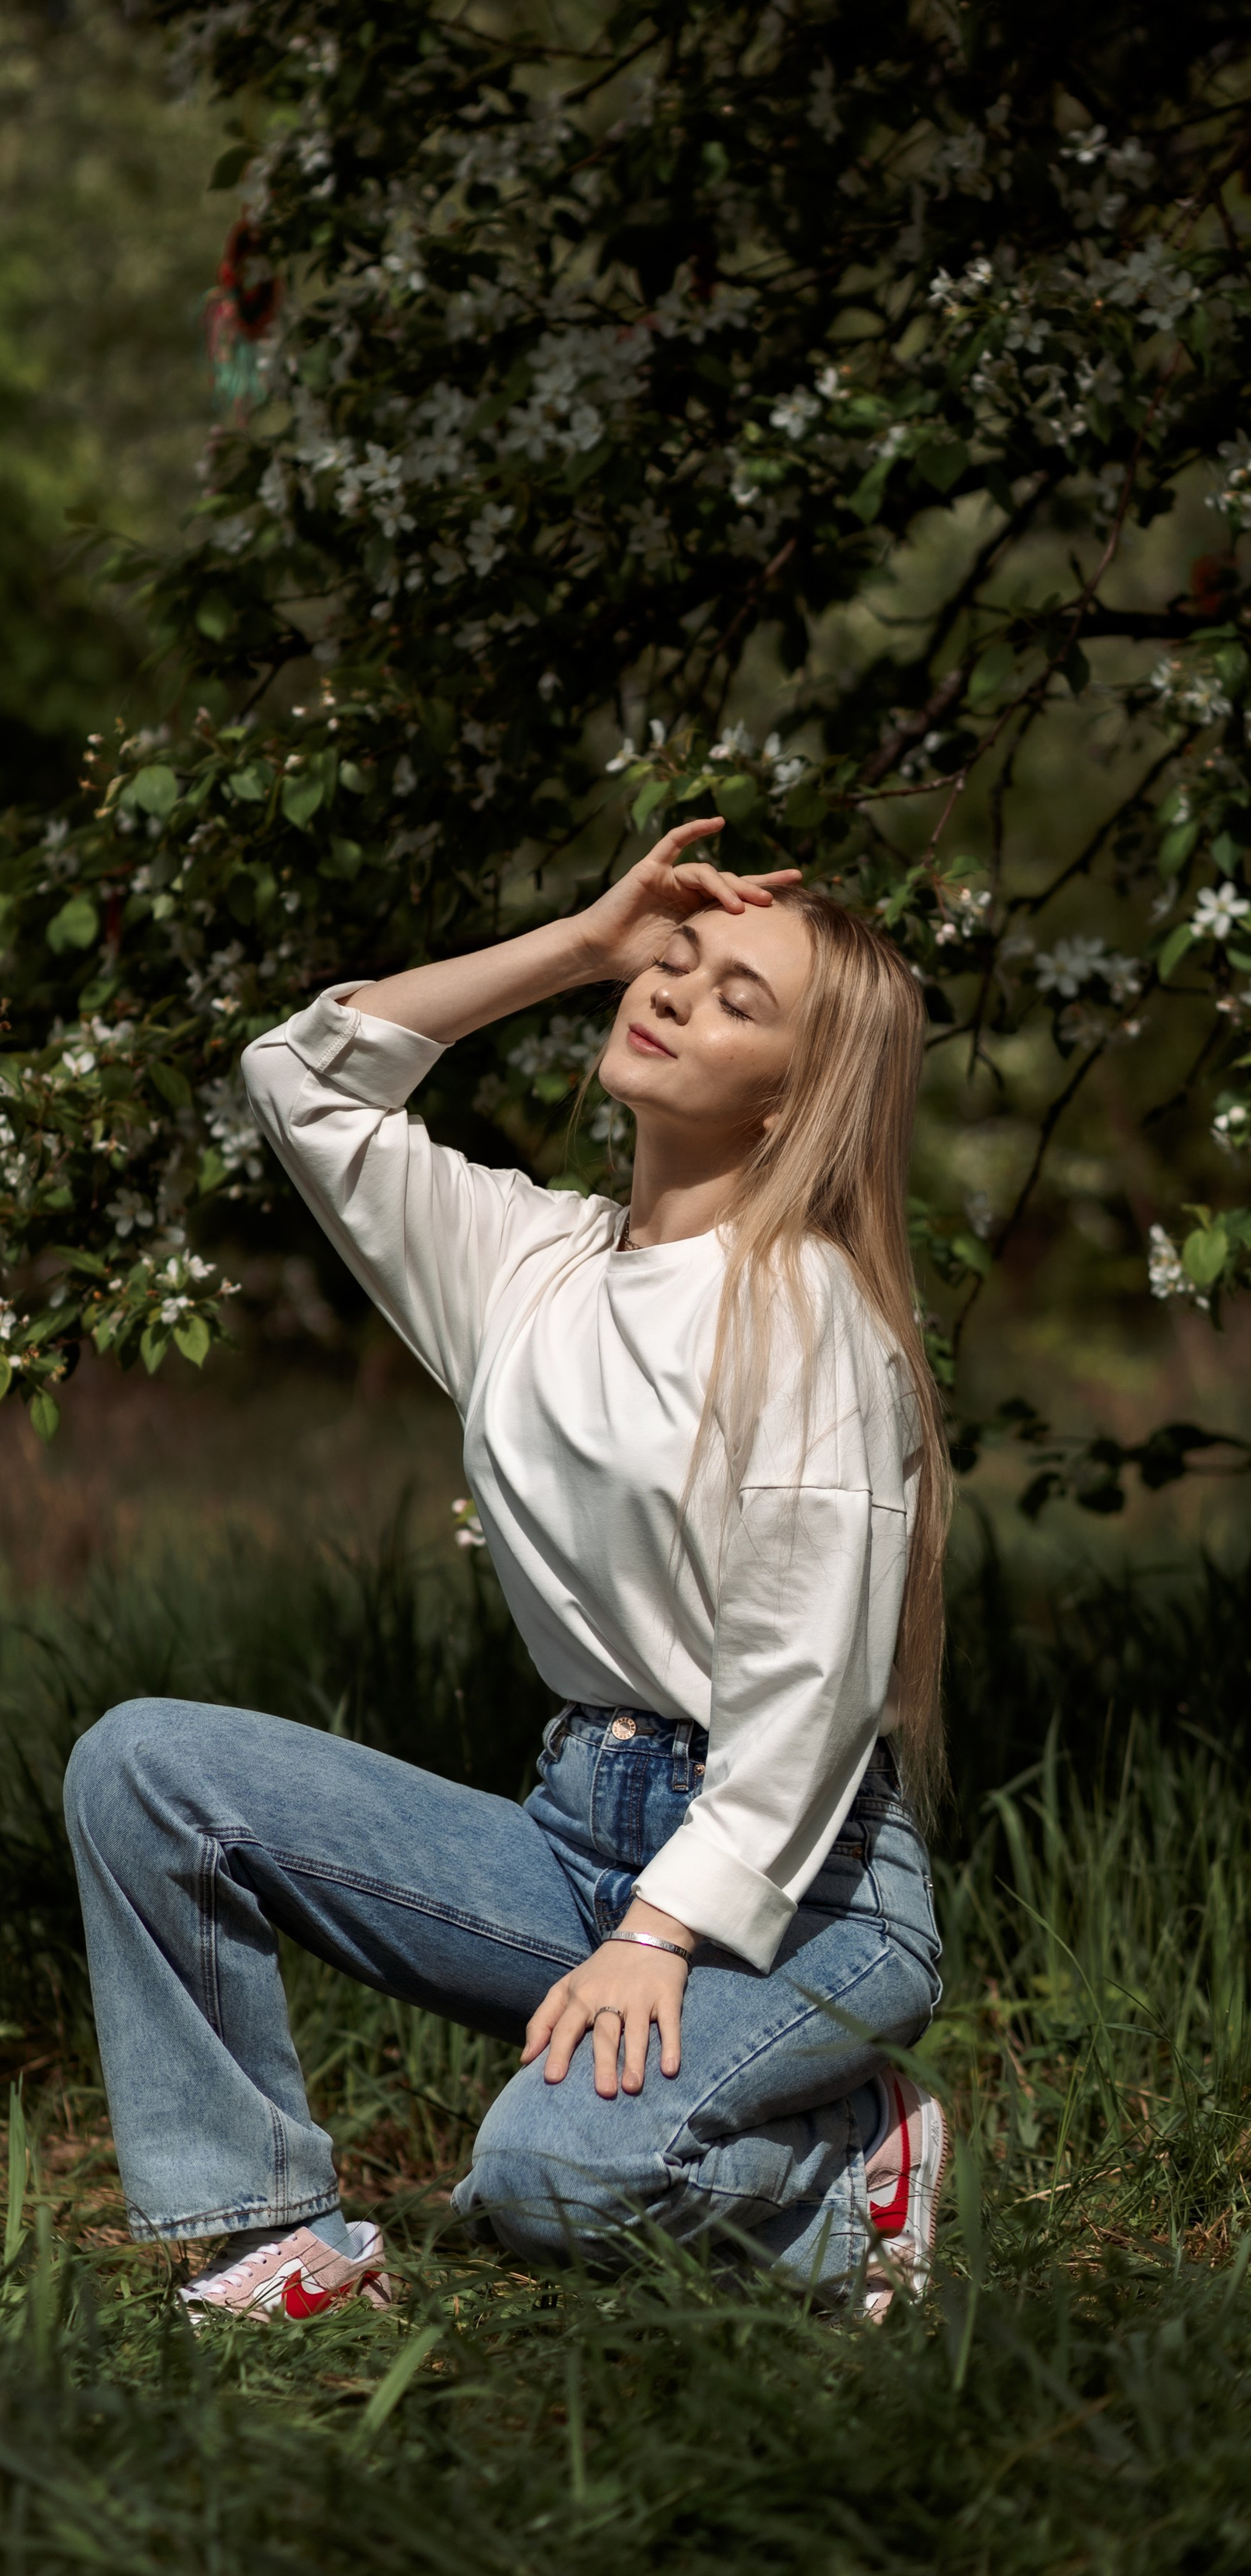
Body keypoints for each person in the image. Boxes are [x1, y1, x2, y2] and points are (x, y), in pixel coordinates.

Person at [64, 818, 951, 2321]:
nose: (670, 992)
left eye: (736, 997)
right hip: (570, 1831)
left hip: (802, 1886)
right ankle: (276, 2238)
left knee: (547, 2186)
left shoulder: (812, 1322)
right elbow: (300, 1077)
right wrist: (580, 940)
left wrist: (658, 1940)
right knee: (144, 1767)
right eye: (673, 963)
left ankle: (846, 2166)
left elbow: (806, 1696)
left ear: (794, 1094)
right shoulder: (529, 1264)